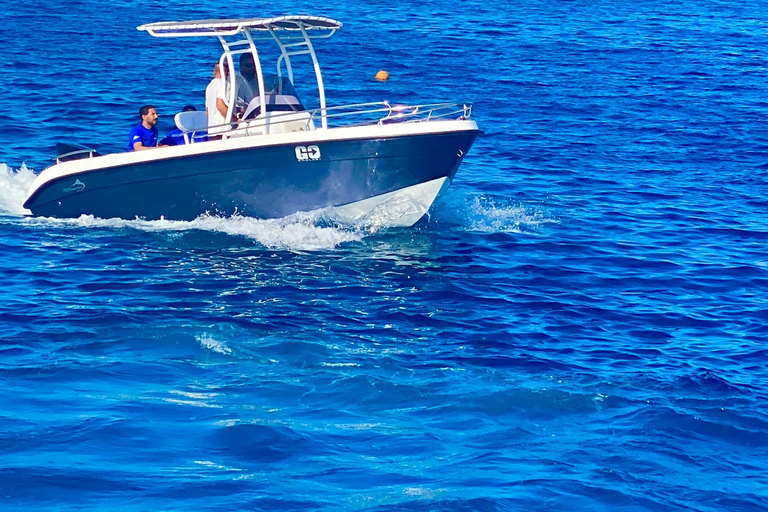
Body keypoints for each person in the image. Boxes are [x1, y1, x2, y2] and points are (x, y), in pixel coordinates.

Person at [206, 62, 229, 136]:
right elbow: (220, 106)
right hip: (224, 130)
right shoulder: (225, 85)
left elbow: (207, 111)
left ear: (214, 72)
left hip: (212, 130)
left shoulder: (209, 87)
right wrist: (235, 121)